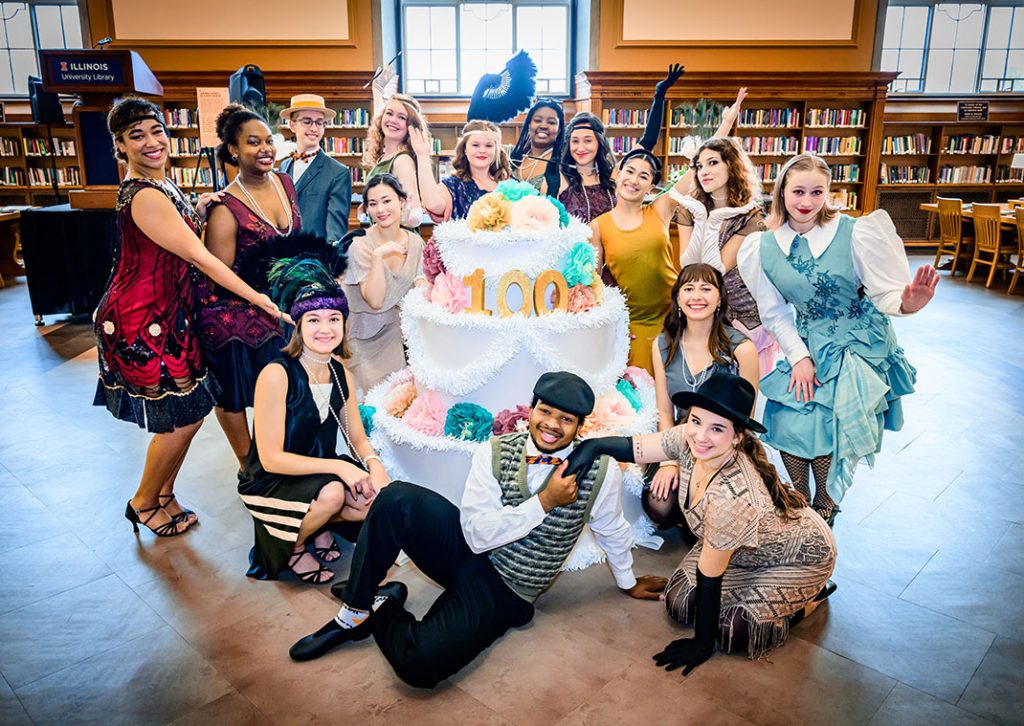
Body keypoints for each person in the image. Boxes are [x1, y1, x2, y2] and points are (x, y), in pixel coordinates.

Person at [288, 372, 667, 688]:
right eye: (545, 411)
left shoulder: (599, 473)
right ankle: (354, 610)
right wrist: (544, 502)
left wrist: (627, 580)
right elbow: (475, 535)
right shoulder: (495, 449)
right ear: (531, 409)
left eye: (566, 419)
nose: (552, 424)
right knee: (396, 498)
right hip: (472, 549)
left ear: (580, 427)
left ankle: (383, 605)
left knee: (419, 666)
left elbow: (612, 528)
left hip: (507, 587)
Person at [94, 97, 286, 537]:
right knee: (181, 421)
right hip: (141, 318)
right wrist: (257, 297)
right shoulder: (143, 193)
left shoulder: (162, 185)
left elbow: (175, 236)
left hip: (170, 313)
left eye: (156, 131)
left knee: (187, 415)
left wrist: (196, 211)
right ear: (120, 146)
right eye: (136, 136)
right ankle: (143, 502)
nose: (151, 142)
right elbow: (201, 257)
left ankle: (164, 494)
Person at [564, 373, 837, 668]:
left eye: (717, 428)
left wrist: (701, 644)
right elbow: (635, 447)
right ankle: (750, 594)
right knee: (679, 602)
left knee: (733, 631)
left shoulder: (732, 498)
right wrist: (591, 447)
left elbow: (710, 577)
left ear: (737, 436)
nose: (701, 435)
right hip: (737, 551)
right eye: (696, 421)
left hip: (799, 558)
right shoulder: (691, 440)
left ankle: (810, 599)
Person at [737, 153, 938, 524]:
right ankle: (801, 500)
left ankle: (824, 508)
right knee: (792, 418)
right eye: (798, 191)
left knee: (833, 427)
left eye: (817, 192)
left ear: (829, 193)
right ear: (781, 192)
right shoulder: (761, 247)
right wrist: (798, 357)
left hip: (860, 344)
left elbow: (884, 294)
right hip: (810, 341)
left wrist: (908, 303)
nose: (807, 201)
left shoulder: (855, 233)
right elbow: (775, 313)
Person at [241, 257, 390, 583]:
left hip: (318, 468)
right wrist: (340, 467)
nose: (326, 329)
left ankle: (320, 523)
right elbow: (270, 458)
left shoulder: (340, 373)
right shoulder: (276, 375)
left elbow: (357, 437)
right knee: (335, 493)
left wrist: (375, 465)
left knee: (374, 497)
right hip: (272, 477)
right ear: (298, 324)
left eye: (334, 318)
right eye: (314, 320)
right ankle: (293, 547)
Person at [200, 104, 303, 471]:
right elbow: (217, 276)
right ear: (232, 150)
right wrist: (262, 300)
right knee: (234, 395)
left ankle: (279, 458)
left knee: (287, 391)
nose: (265, 149)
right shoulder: (225, 208)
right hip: (238, 311)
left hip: (283, 302)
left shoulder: (285, 183)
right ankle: (249, 466)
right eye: (252, 142)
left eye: (269, 141)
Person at [646, 264, 759, 526]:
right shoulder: (662, 345)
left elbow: (745, 420)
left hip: (724, 445)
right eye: (688, 288)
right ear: (677, 298)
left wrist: (715, 465)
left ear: (720, 298)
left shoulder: (742, 349)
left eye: (706, 288)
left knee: (717, 512)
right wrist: (668, 462)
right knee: (659, 507)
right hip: (682, 439)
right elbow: (665, 410)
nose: (696, 296)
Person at [557, 76, 745, 225]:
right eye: (575, 141)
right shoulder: (559, 178)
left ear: (599, 143)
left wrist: (659, 95)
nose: (581, 147)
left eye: (588, 140)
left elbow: (649, 139)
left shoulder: (616, 175)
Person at [590, 148, 699, 373]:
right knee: (643, 393)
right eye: (629, 171)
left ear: (651, 186)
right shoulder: (598, 226)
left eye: (644, 176)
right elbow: (594, 284)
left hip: (676, 315)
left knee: (679, 388)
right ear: (617, 175)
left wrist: (726, 122)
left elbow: (697, 168)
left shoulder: (660, 209)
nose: (634, 180)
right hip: (636, 324)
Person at [675, 137, 776, 376]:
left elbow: (714, 271)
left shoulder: (750, 216)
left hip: (742, 316)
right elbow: (688, 267)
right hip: (704, 314)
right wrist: (703, 218)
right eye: (699, 166)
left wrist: (712, 221)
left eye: (712, 163)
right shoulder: (690, 210)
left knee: (743, 396)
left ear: (730, 166)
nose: (704, 172)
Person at [341, 173, 426, 393]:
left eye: (386, 201)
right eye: (373, 204)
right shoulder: (360, 246)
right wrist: (378, 256)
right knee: (369, 412)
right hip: (364, 342)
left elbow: (421, 289)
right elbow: (375, 301)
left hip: (398, 339)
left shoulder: (416, 243)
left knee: (397, 409)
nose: (380, 210)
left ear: (401, 201)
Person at [279, 94, 352, 243]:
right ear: (292, 125)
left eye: (319, 123)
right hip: (283, 255)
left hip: (313, 259)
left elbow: (335, 234)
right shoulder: (283, 166)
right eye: (307, 121)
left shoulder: (338, 172)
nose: (314, 128)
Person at [413, 119, 513, 222]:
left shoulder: (509, 185)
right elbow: (433, 204)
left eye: (489, 145)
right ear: (465, 149)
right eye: (475, 145)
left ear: (496, 150)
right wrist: (422, 156)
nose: (482, 150)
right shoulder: (453, 185)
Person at [362, 93, 429, 227]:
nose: (393, 120)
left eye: (401, 117)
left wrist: (406, 218)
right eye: (389, 113)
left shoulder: (402, 160)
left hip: (398, 242)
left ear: (410, 126)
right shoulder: (384, 157)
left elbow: (415, 211)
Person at [508, 99, 565, 194]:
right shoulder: (511, 156)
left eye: (551, 122)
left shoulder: (564, 163)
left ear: (559, 130)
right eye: (538, 120)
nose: (543, 126)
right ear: (529, 125)